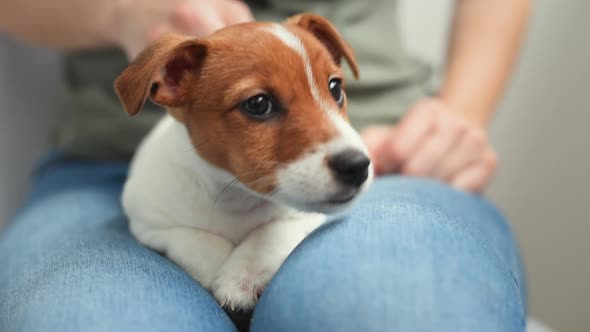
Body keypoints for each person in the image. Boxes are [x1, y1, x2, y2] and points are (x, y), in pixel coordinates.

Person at [0, 0, 530, 331]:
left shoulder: (348, 155)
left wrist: (462, 113)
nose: (327, 128)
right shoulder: (153, 177)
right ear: (169, 86)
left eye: (335, 88)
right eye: (259, 105)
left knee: (386, 304)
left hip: (392, 160)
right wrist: (118, 10)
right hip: (99, 166)